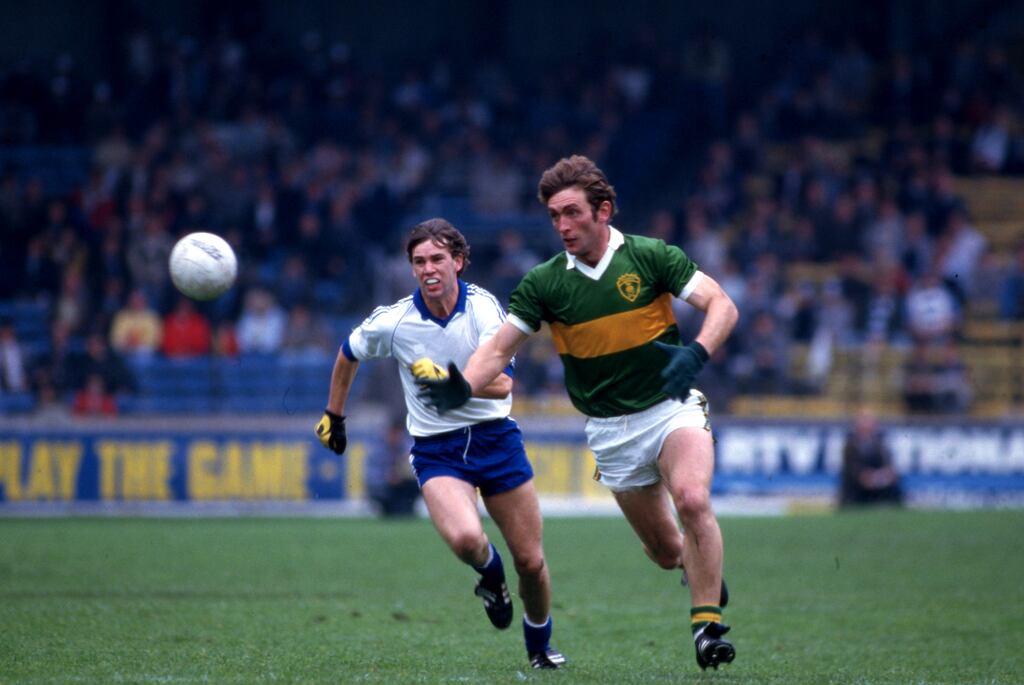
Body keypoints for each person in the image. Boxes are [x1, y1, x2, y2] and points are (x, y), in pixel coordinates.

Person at [420, 155, 740, 671]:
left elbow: (722, 304)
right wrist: (462, 387)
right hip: (611, 430)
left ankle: (707, 629)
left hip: (670, 408)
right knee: (664, 550)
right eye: (553, 216)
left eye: (571, 212)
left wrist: (697, 352)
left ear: (604, 210)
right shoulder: (546, 283)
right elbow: (500, 349)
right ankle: (697, 560)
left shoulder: (651, 256)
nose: (562, 226)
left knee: (693, 498)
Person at [314, 218, 565, 670]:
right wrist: (334, 415)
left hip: (495, 440)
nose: (428, 268)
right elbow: (348, 352)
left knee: (530, 560)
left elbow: (504, 385)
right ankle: (490, 575)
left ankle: (539, 641)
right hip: (437, 448)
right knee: (468, 539)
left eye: (437, 259)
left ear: (459, 262)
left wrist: (456, 383)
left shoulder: (485, 310)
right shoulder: (395, 322)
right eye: (419, 261)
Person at [839, 408, 904, 507]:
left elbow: (888, 464)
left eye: (869, 422)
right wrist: (865, 476)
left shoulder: (880, 443)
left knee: (895, 486)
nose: (867, 426)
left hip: (876, 481)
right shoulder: (850, 445)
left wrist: (886, 474)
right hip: (857, 486)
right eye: (864, 422)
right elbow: (853, 471)